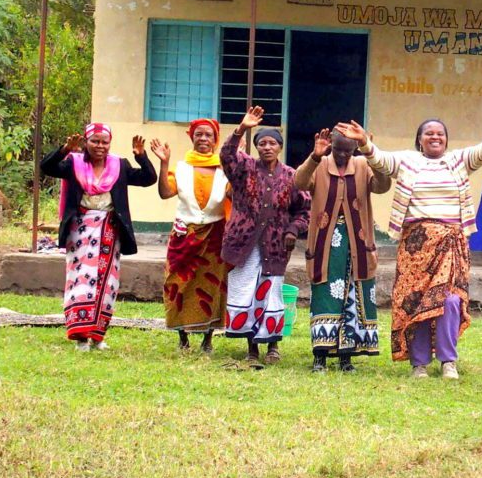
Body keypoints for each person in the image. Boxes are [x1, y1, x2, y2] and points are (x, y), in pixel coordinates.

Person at [335, 114, 482, 379]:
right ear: (419, 140)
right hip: (416, 246)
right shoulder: (407, 161)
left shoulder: (458, 161)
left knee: (451, 300)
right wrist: (364, 141)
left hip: (451, 243)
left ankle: (448, 361)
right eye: (429, 134)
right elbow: (380, 160)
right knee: (416, 300)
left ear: (446, 140)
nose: (435, 137)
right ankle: (419, 363)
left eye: (440, 134)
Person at [40, 123, 157, 351]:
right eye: (95, 141)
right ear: (86, 141)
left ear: (110, 143)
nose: (100, 146)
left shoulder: (119, 166)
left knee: (106, 282)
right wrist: (64, 149)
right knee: (80, 279)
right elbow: (46, 166)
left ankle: (98, 335)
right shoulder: (74, 163)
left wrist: (141, 156)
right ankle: (81, 336)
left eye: (105, 141)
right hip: (80, 230)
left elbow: (147, 179)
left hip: (109, 231)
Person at [295, 127, 391, 372]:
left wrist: (371, 154)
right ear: (331, 146)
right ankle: (320, 357)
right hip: (326, 246)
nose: (341, 156)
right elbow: (299, 182)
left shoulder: (361, 165)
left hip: (357, 245)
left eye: (347, 151)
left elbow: (382, 185)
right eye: (337, 150)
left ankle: (346, 357)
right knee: (325, 295)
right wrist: (315, 156)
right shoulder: (320, 163)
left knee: (352, 295)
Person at [220, 106, 310, 367]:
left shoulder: (292, 176)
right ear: (256, 147)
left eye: (272, 143)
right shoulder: (244, 168)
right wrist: (241, 129)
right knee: (247, 292)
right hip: (244, 244)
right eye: (262, 143)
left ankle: (272, 346)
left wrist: (293, 230)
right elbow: (226, 156)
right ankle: (251, 348)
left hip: (275, 246)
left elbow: (304, 210)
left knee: (271, 295)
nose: (267, 147)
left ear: (280, 147)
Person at [150, 118, 229, 354]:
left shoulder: (224, 169)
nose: (203, 139)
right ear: (191, 138)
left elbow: (235, 195)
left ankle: (208, 338)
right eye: (199, 135)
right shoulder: (182, 167)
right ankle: (182, 336)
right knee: (176, 282)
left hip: (215, 236)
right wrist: (164, 164)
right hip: (185, 235)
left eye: (208, 135)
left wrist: (237, 167)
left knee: (213, 286)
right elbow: (165, 192)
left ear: (215, 140)